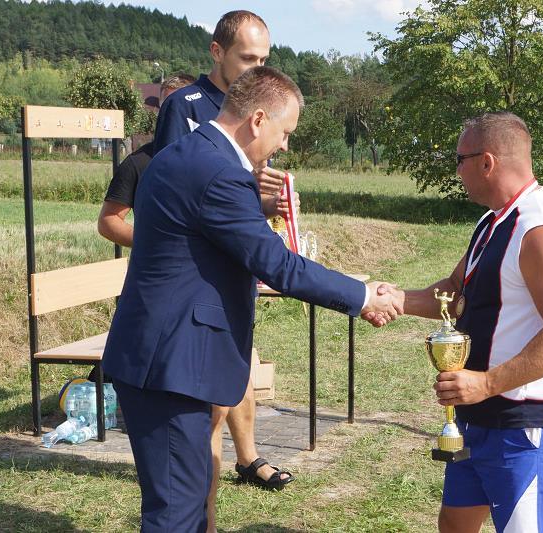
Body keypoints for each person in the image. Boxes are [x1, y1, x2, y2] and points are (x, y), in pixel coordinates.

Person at [101, 66, 402, 532]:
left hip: (160, 355)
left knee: (188, 498)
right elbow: (276, 265)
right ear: (258, 120)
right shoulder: (219, 172)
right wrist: (362, 295)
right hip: (171, 365)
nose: (285, 145)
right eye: (286, 132)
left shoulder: (184, 153)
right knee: (176, 512)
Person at [376, 112, 543, 533]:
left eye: (460, 159)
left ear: (486, 162)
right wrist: (397, 299)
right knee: (454, 524)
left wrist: (487, 383)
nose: (457, 171)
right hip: (478, 414)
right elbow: (457, 290)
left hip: (523, 423)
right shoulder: (494, 220)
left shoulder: (542, 231)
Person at [152, 11, 297, 520]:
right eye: (247, 58)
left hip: (237, 265)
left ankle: (246, 458)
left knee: (238, 374)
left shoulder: (261, 105)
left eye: (265, 59)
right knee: (207, 410)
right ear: (216, 52)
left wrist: (267, 204)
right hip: (198, 279)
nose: (257, 68)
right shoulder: (187, 107)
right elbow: (180, 189)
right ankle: (204, 517)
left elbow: (236, 199)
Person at [97, 74, 195, 246]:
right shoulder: (139, 162)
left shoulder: (221, 156)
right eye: (166, 107)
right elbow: (109, 221)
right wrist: (152, 245)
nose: (172, 114)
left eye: (178, 107)